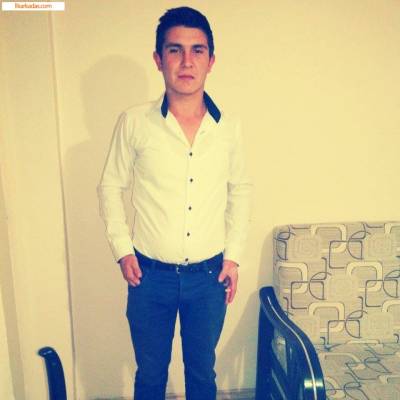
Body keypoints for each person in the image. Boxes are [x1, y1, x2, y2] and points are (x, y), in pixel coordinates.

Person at [98, 6, 251, 400]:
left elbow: (240, 190)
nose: (186, 61)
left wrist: (233, 256)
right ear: (158, 59)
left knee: (202, 375)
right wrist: (122, 249)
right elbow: (110, 186)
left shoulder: (229, 127)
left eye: (197, 50)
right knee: (150, 376)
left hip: (209, 277)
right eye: (175, 50)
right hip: (149, 277)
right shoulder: (134, 122)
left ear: (211, 60)